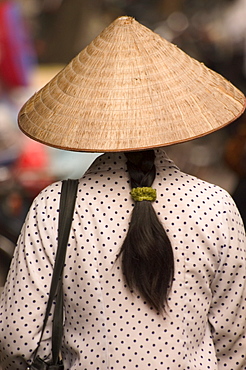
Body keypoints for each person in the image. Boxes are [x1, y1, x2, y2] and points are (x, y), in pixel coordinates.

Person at [0, 16, 245, 370]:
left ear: (90, 115)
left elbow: (18, 339)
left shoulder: (54, 207)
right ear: (172, 113)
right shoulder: (216, 206)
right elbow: (233, 341)